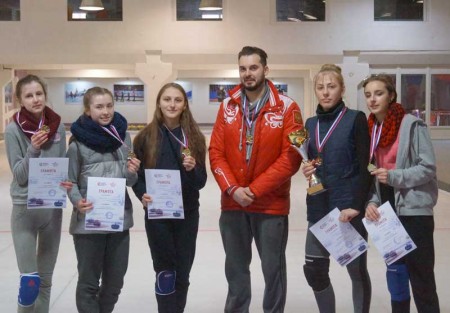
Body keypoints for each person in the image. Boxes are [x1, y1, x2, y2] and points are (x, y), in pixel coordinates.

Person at [209, 46, 303, 313]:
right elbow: (215, 152)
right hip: (233, 204)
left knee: (273, 271)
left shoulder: (287, 107)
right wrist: (232, 189)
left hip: (270, 205)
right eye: (243, 68)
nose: (248, 74)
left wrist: (254, 190)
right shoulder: (227, 106)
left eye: (253, 67)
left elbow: (291, 158)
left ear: (265, 69)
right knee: (236, 271)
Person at [363, 74, 440, 313]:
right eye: (368, 95)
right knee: (396, 274)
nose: (372, 100)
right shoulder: (372, 127)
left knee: (421, 276)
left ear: (391, 95)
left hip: (413, 209)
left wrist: (396, 176)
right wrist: (372, 201)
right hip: (387, 208)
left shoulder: (411, 125)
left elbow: (427, 167)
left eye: (379, 93)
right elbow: (373, 170)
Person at [300, 64, 372, 313]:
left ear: (342, 89)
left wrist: (357, 205)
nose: (326, 92)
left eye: (331, 87)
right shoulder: (309, 124)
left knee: (357, 272)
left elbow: (365, 167)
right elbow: (312, 163)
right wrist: (307, 171)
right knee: (314, 270)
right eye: (320, 87)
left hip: (347, 210)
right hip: (318, 207)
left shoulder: (355, 119)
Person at [132, 82, 207, 313]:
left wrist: (194, 167)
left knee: (182, 273)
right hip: (157, 215)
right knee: (165, 271)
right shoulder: (145, 137)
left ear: (185, 105)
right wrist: (140, 194)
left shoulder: (194, 137)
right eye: (167, 99)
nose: (172, 104)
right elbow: (137, 177)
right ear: (159, 103)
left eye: (177, 100)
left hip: (187, 214)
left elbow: (201, 181)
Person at [66, 87, 141, 313]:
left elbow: (130, 181)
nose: (106, 111)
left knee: (114, 284)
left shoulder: (123, 136)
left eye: (109, 105)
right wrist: (78, 202)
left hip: (119, 221)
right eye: (99, 107)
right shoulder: (77, 143)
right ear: (88, 110)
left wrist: (133, 170)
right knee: (89, 284)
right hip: (89, 223)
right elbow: (69, 181)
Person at [5, 74, 73, 313]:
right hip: (25, 208)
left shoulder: (56, 126)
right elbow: (20, 175)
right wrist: (32, 148)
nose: (35, 99)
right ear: (20, 100)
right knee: (30, 281)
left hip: (51, 210)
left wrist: (66, 181)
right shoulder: (13, 130)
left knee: (45, 280)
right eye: (29, 95)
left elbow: (61, 165)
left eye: (39, 94)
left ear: (45, 95)